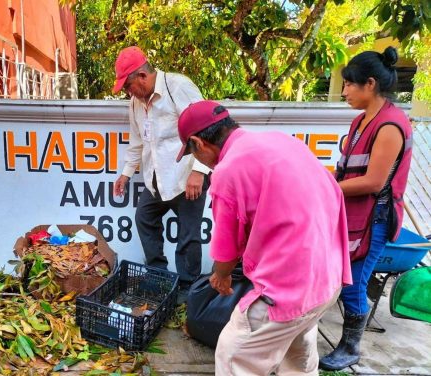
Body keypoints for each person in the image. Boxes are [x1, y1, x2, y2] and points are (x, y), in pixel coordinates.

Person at [176, 100, 352, 375]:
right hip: (328, 279)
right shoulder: (282, 141)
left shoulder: (228, 170)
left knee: (234, 353)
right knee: (297, 356)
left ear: (198, 143)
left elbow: (226, 250)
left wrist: (220, 276)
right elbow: (333, 193)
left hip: (287, 290)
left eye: (190, 153)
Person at [319, 47, 413, 371]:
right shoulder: (362, 120)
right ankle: (348, 340)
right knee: (346, 275)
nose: (344, 91)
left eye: (349, 84)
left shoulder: (389, 126)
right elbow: (349, 170)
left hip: (375, 217)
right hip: (354, 213)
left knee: (354, 280)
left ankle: (351, 347)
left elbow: (374, 182)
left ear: (369, 84)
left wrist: (326, 187)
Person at [112, 46, 210, 288]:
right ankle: (158, 277)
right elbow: (137, 142)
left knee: (188, 236)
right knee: (144, 217)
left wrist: (199, 171)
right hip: (156, 179)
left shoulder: (178, 87)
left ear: (142, 77)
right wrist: (125, 174)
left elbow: (205, 128)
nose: (127, 92)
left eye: (128, 86)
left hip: (186, 176)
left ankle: (188, 290)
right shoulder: (136, 102)